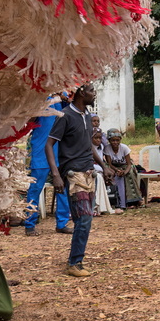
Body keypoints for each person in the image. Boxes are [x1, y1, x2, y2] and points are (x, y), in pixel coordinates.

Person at [45, 84, 114, 278]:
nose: (95, 95)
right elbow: (49, 145)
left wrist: (103, 165)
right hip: (74, 173)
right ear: (82, 93)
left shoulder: (86, 117)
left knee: (82, 218)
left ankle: (77, 260)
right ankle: (74, 263)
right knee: (84, 218)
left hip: (89, 172)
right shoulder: (65, 115)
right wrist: (56, 174)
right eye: (92, 91)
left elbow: (88, 145)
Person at [24, 96, 72, 236]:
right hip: (41, 152)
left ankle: (62, 223)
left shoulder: (63, 95)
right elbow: (28, 121)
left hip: (60, 153)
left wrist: (64, 98)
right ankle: (30, 224)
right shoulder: (39, 96)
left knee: (62, 188)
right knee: (35, 189)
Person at [104, 128, 142, 209]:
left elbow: (129, 164)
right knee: (110, 173)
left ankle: (133, 200)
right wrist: (117, 170)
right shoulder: (107, 148)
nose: (115, 142)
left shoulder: (124, 148)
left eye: (117, 140)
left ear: (120, 140)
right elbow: (109, 164)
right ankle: (117, 200)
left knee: (130, 173)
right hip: (114, 166)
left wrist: (124, 172)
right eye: (113, 140)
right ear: (109, 140)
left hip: (125, 166)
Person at [91, 129, 115, 216]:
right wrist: (103, 169)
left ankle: (101, 207)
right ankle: (94, 207)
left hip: (99, 169)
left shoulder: (100, 147)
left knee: (103, 176)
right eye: (95, 138)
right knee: (98, 177)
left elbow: (100, 161)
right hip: (91, 170)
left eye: (100, 138)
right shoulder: (87, 147)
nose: (98, 140)